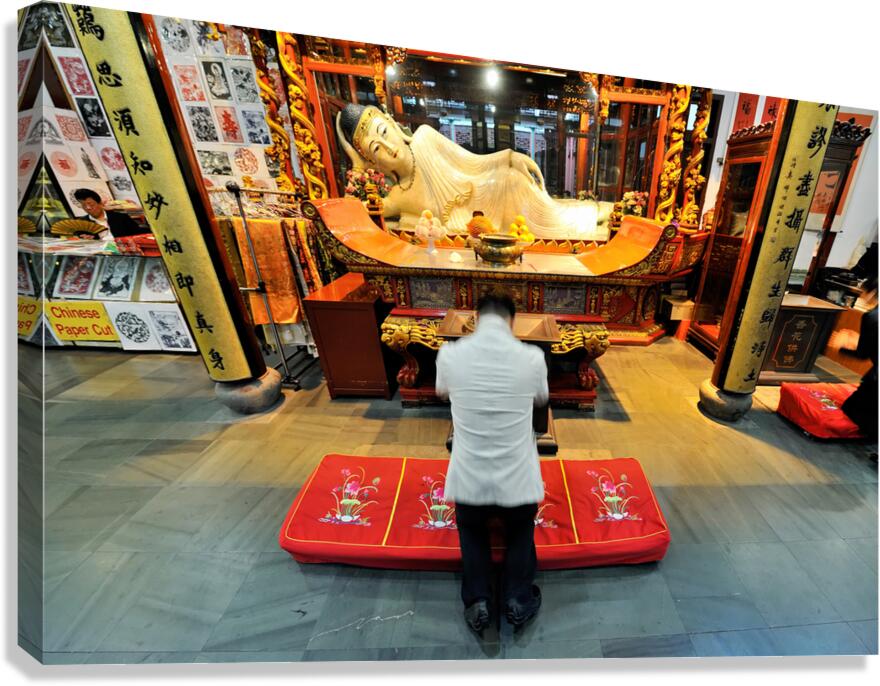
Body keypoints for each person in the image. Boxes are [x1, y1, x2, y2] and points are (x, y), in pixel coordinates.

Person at [435, 289, 548, 633]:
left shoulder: (450, 355)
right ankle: (517, 597)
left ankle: (478, 601)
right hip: (517, 479)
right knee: (520, 529)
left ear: (476, 318)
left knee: (470, 530)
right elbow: (542, 397)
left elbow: (442, 393)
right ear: (511, 321)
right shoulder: (532, 358)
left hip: (470, 478)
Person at [335, 103, 613, 240]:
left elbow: (472, 162)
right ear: (374, 162)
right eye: (376, 148)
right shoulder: (397, 196)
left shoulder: (425, 138)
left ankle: (596, 214)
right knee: (549, 216)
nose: (388, 146)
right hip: (476, 222)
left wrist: (510, 156)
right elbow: (365, 210)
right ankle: (595, 215)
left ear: (393, 125)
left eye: (385, 132)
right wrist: (357, 176)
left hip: (492, 188)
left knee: (545, 208)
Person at [831, 278, 878, 442]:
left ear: (872, 292)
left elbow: (862, 355)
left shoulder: (872, 316)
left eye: (863, 292)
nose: (863, 296)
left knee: (851, 409)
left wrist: (841, 346)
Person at [72, 188, 143, 240]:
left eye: (91, 204)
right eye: (84, 205)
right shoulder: (81, 224)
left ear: (100, 203)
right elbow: (78, 241)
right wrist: (84, 240)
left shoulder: (121, 218)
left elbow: (139, 235)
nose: (88, 208)